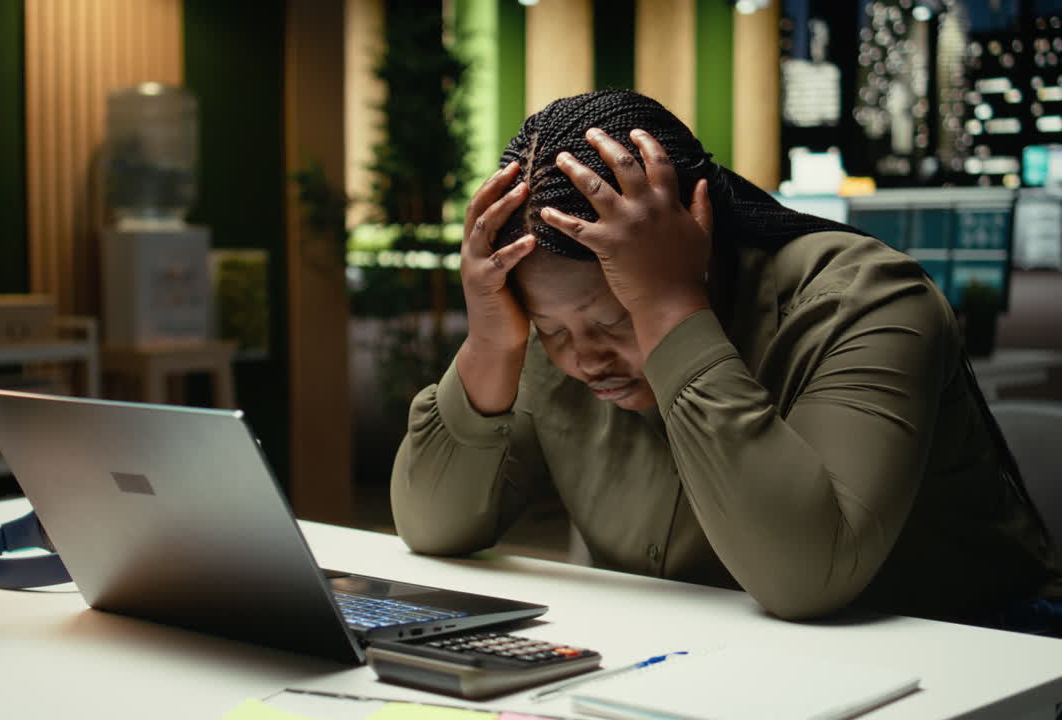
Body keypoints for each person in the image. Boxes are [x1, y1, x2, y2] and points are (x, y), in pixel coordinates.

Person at [389, 89, 1062, 633]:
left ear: (698, 245)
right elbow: (433, 526)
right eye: (550, 331)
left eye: (613, 319)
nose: (584, 358)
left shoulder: (865, 301)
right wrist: (491, 342)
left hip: (972, 648)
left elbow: (805, 576)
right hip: (713, 648)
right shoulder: (552, 335)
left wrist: (669, 309)